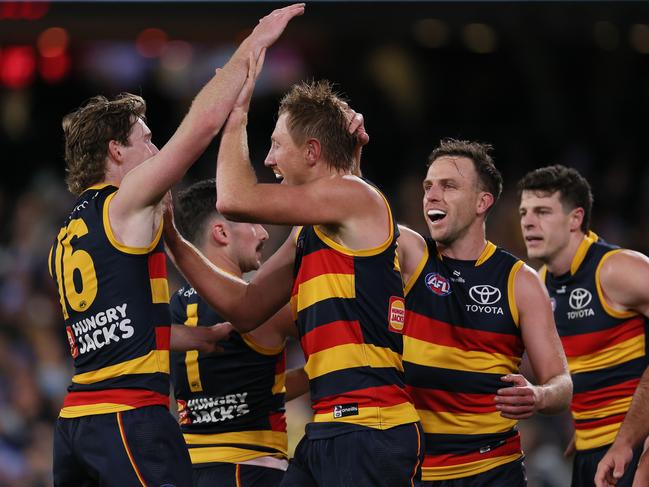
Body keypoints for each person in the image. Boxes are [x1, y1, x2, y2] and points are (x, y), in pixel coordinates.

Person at [47, 5, 304, 486]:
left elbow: (118, 328)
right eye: (146, 141)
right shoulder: (125, 204)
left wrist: (194, 338)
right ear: (114, 152)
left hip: (76, 420)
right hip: (127, 416)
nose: (157, 152)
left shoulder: (68, 230)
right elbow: (201, 127)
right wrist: (252, 46)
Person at [163, 67, 422, 485]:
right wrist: (173, 239)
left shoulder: (357, 197)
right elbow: (246, 308)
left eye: (276, 145)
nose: (268, 159)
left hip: (369, 426)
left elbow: (232, 198)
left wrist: (237, 113)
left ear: (312, 151)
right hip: (327, 430)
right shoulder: (310, 230)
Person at [397, 139, 571, 486]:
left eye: (449, 186)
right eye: (428, 186)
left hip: (493, 471)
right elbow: (358, 212)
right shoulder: (411, 254)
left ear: (482, 202)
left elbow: (562, 384)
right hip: (415, 472)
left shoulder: (520, 281)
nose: (432, 195)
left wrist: (537, 395)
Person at [169, 179, 309, 487]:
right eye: (254, 223)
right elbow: (337, 336)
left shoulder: (173, 309)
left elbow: (253, 392)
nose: (264, 233)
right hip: (252, 471)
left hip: (188, 472)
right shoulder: (263, 309)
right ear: (221, 233)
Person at [517, 164, 649, 487]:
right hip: (592, 453)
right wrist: (590, 424)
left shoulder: (614, 269)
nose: (528, 222)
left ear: (575, 219)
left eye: (543, 211)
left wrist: (629, 439)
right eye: (523, 212)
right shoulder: (542, 284)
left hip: (629, 454)